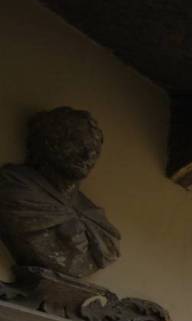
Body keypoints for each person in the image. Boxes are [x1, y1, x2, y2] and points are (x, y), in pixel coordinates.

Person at [0, 107, 121, 280]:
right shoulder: (14, 190)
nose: (88, 154)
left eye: (94, 149)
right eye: (77, 143)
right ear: (48, 141)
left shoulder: (97, 220)